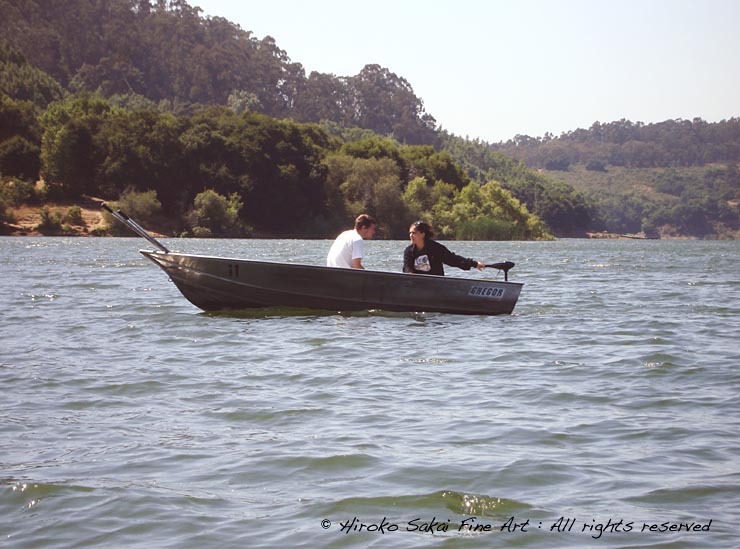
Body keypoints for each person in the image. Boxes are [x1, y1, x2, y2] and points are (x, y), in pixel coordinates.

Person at [403, 220, 484, 276]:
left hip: (436, 284)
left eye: (414, 233)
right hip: (416, 284)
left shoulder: (436, 248)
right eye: (410, 233)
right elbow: (407, 268)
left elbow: (453, 259)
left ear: (423, 234)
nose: (411, 235)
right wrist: (410, 276)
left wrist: (474, 264)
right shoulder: (408, 251)